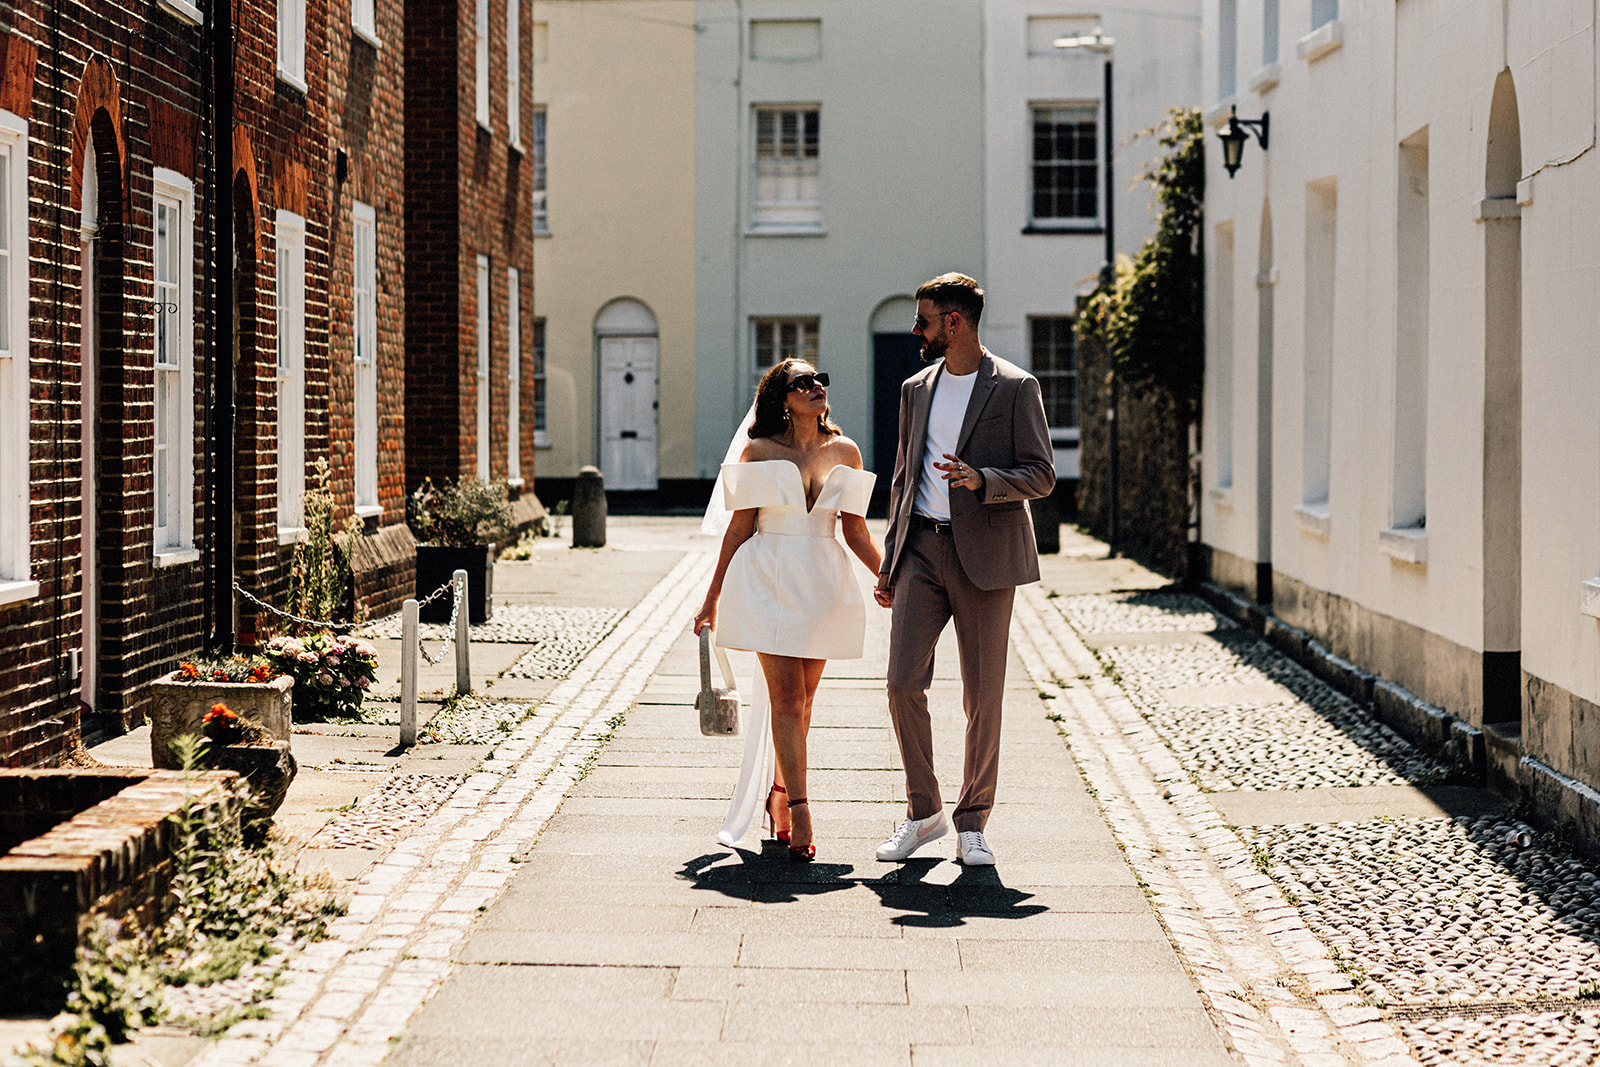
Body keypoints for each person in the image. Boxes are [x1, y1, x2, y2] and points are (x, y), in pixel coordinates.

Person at [872, 273, 1055, 866]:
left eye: (923, 319)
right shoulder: (915, 389)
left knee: (983, 698)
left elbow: (1042, 474)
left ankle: (972, 821)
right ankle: (923, 813)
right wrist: (890, 558)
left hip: (986, 556)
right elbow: (904, 477)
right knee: (902, 683)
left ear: (954, 323)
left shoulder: (1015, 388)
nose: (915, 331)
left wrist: (984, 480)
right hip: (922, 551)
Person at [695, 359, 882, 861]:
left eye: (822, 378)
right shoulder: (758, 451)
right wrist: (711, 597)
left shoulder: (846, 451)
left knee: (804, 703)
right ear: (783, 397)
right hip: (767, 581)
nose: (818, 386)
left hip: (822, 583)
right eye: (805, 382)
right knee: (788, 700)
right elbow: (739, 529)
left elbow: (855, 529)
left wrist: (888, 575)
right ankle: (800, 809)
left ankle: (778, 793)